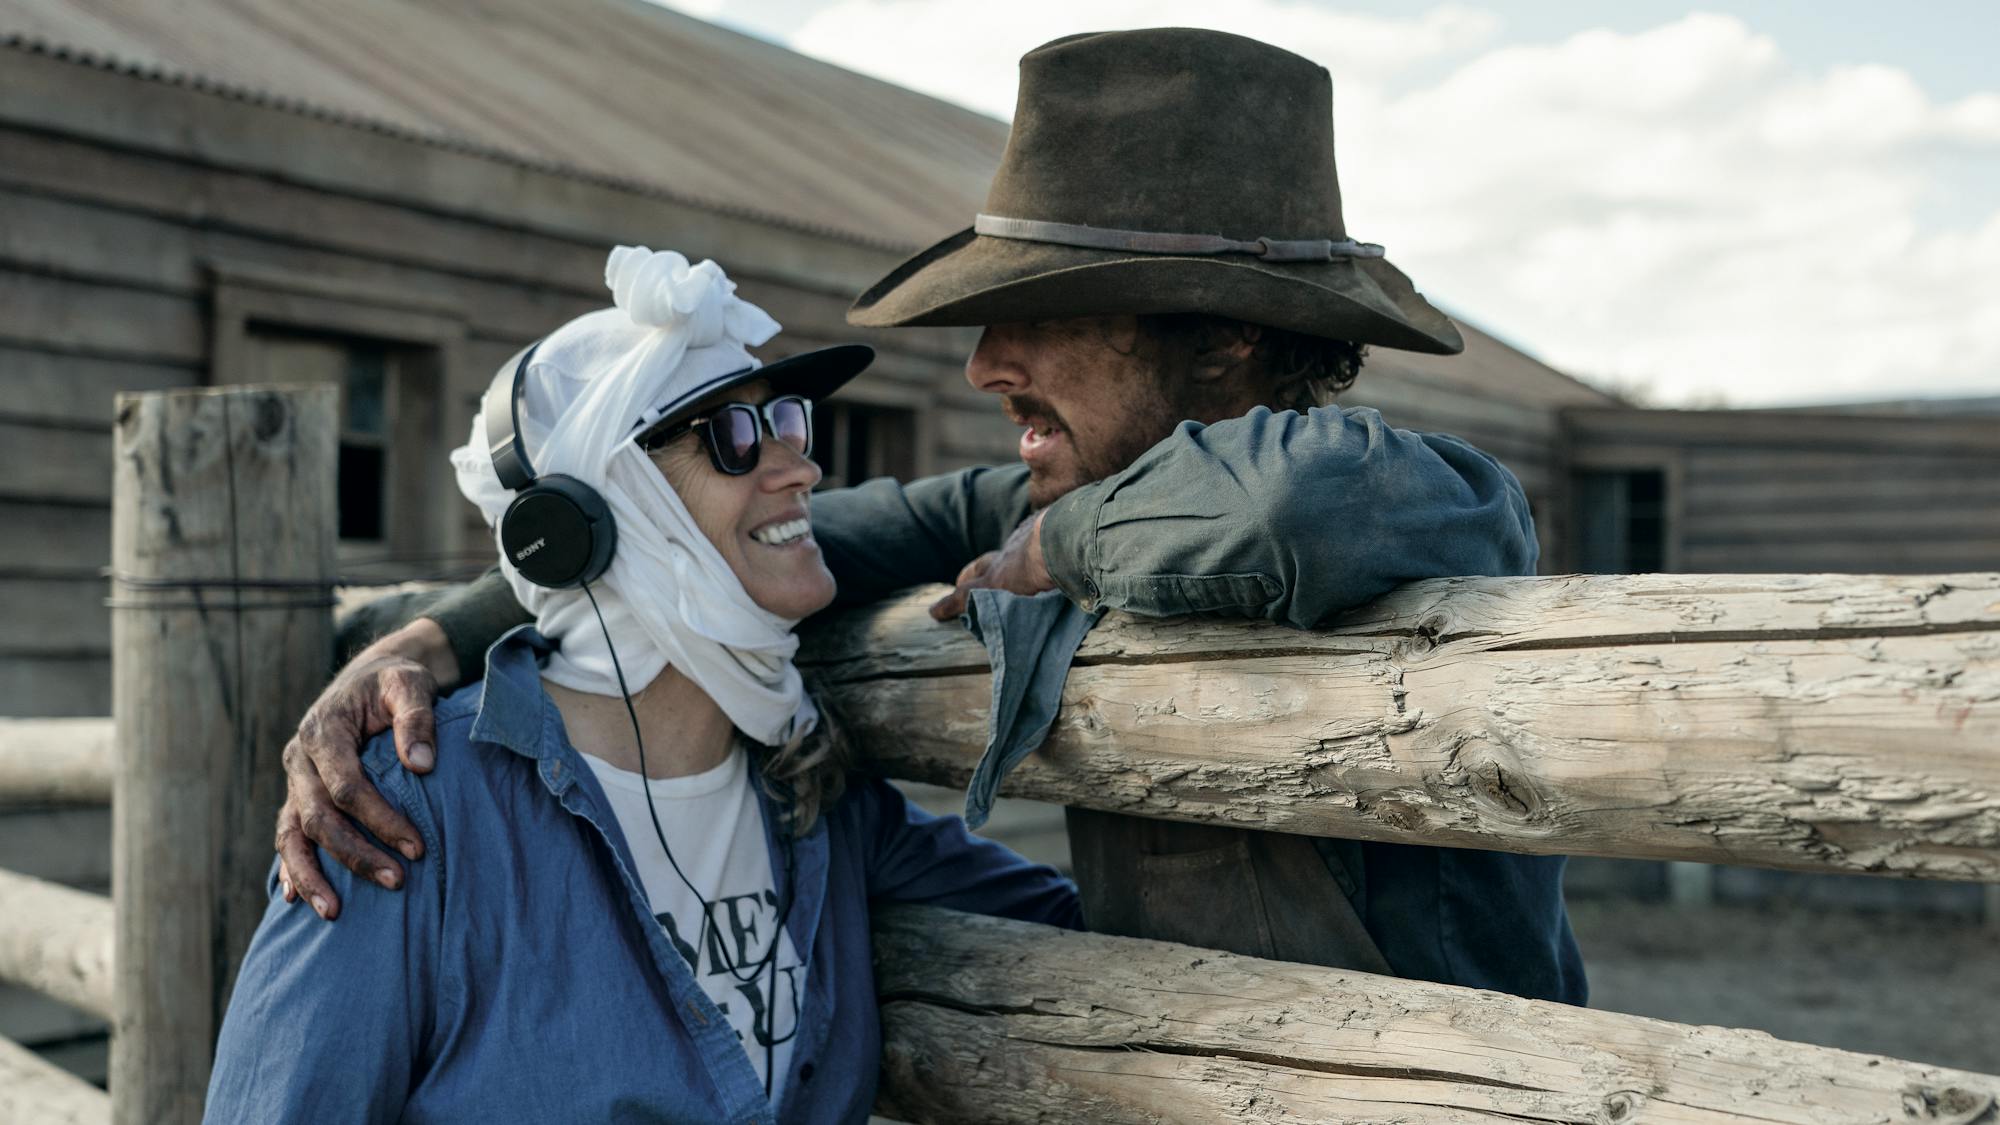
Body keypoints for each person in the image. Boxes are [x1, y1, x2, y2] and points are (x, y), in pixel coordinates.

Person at [277, 29, 1585, 1004]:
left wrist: (1050, 552)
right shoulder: (1046, 493)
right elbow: (736, 543)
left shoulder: (1409, 489)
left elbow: (1286, 516)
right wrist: (428, 645)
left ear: (1227, 335)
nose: (984, 365)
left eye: (1044, 313)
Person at [206, 247, 1079, 1123]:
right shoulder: (404, 814)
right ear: (592, 513)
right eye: (735, 440)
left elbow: (1088, 938)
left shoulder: (819, 806)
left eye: (787, 424)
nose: (800, 468)